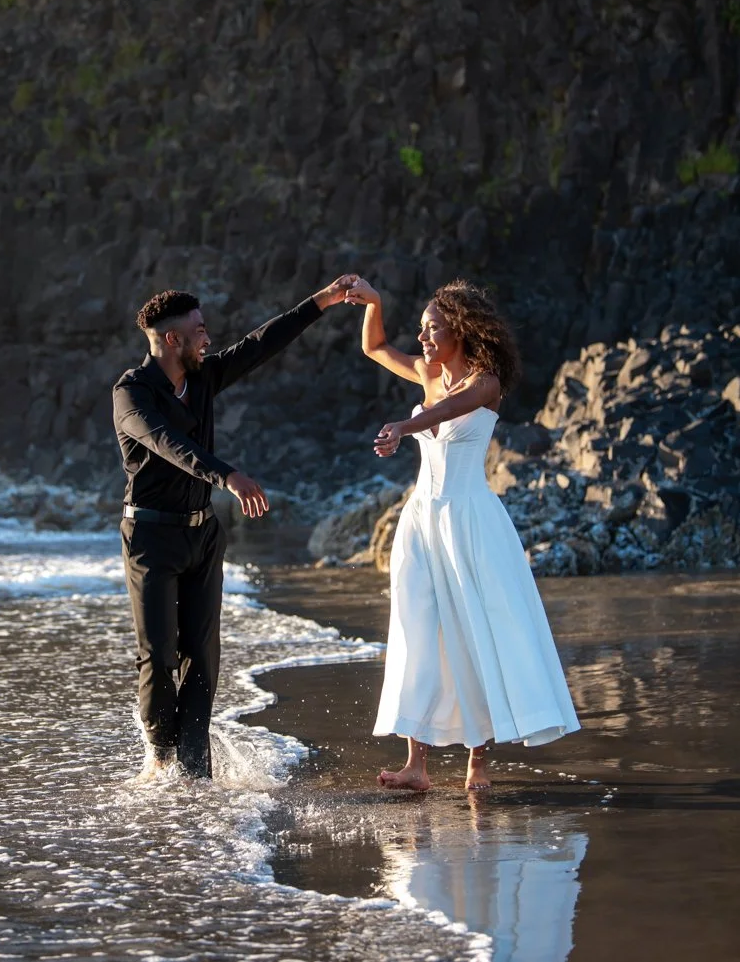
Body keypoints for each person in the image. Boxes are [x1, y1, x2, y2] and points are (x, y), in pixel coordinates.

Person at [112, 276, 357, 780]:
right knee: (158, 657)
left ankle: (195, 771)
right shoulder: (131, 394)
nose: (209, 337)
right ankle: (159, 754)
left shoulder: (203, 377)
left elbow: (260, 344)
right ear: (173, 340)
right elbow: (165, 443)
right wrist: (227, 474)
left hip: (202, 535)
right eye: (199, 330)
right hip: (151, 539)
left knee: (201, 657)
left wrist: (321, 300)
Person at [343, 277, 581, 791]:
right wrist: (376, 302)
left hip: (469, 521)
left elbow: (451, 409)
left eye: (434, 329)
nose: (424, 338)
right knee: (418, 631)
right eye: (422, 328)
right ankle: (416, 765)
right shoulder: (426, 371)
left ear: (462, 329)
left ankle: (478, 759)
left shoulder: (486, 382)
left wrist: (406, 427)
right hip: (421, 520)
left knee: (475, 630)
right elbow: (374, 347)